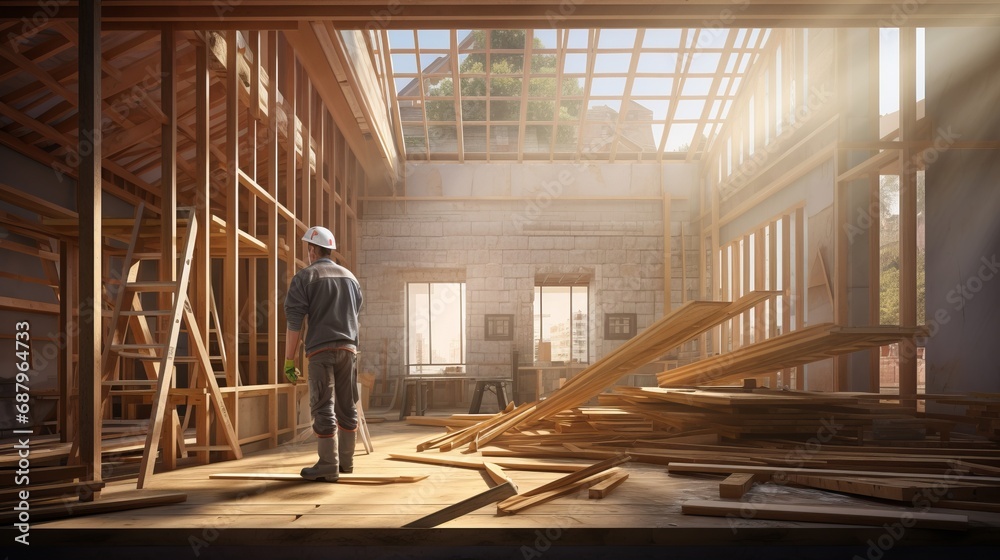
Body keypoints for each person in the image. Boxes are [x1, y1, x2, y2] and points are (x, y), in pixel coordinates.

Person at [283, 225, 363, 482]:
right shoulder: (351, 278)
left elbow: (294, 323)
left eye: (308, 248)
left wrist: (288, 360)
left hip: (320, 350)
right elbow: (355, 315)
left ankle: (328, 465)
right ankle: (347, 464)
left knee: (322, 406)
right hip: (349, 349)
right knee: (347, 405)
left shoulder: (305, 278)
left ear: (312, 249)